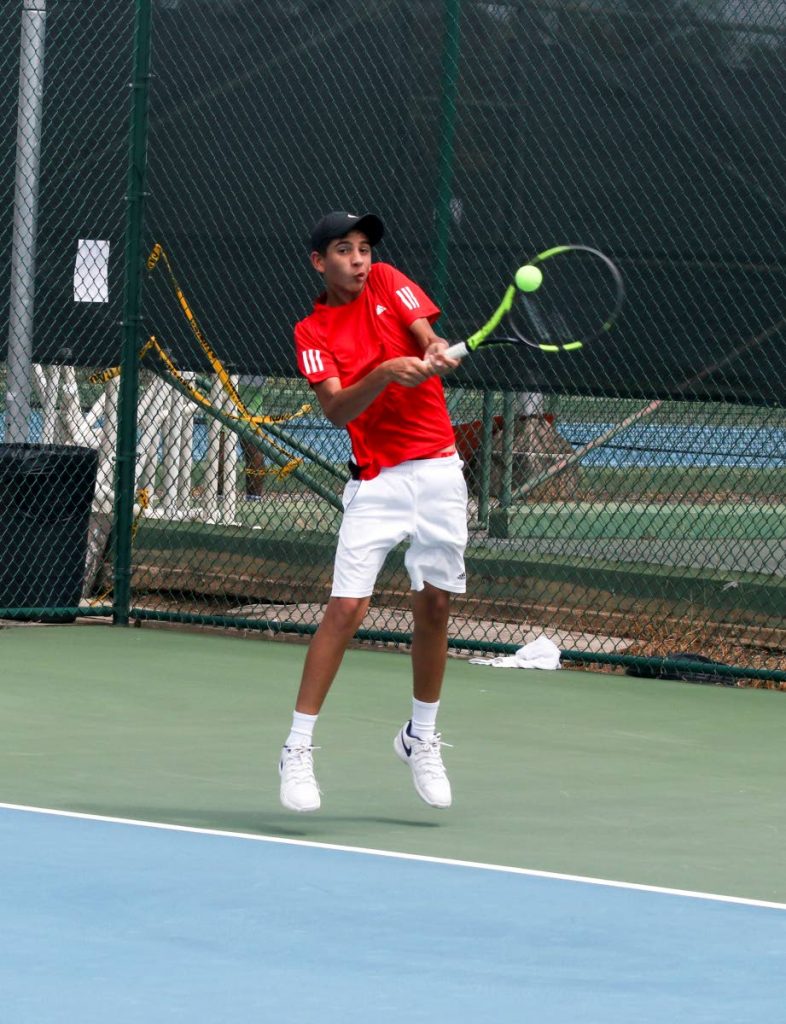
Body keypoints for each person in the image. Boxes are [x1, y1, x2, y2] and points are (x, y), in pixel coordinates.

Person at [278, 210, 468, 813]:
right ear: (319, 261)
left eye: (363, 248)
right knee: (347, 608)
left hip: (438, 467)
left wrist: (435, 350)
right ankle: (297, 749)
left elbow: (425, 334)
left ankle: (421, 736)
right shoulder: (311, 332)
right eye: (344, 250)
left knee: (435, 603)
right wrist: (385, 374)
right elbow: (335, 411)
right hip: (377, 482)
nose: (358, 259)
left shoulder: (387, 280)